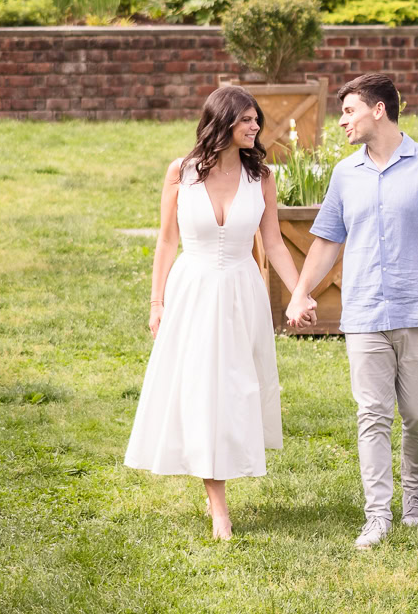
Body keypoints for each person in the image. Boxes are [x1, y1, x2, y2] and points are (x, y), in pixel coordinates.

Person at [284, 72, 418, 549]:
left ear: (378, 110)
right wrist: (302, 292)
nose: (342, 120)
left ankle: (415, 500)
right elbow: (327, 241)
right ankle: (377, 515)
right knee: (372, 414)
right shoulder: (346, 173)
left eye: (349, 110)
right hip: (364, 312)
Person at [125, 85, 301, 539]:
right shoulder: (180, 174)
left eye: (256, 119)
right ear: (220, 122)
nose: (255, 126)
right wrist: (157, 301)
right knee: (203, 389)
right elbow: (167, 241)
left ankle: (218, 478)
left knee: (235, 389)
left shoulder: (260, 176)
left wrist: (299, 292)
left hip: (243, 293)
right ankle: (218, 503)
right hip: (194, 291)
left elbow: (275, 243)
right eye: (246, 119)